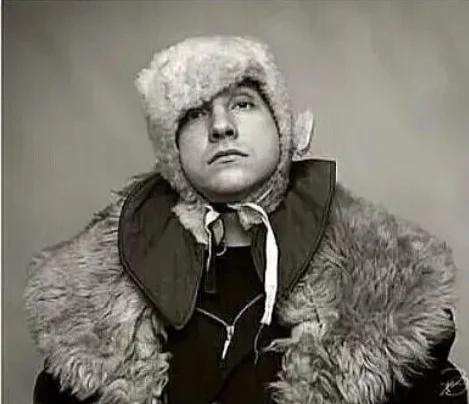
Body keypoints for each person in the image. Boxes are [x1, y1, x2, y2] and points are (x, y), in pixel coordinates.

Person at [24, 35, 467, 404]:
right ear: (171, 150)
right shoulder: (100, 294)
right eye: (195, 113)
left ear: (282, 127)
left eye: (243, 104)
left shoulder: (378, 276)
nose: (221, 126)